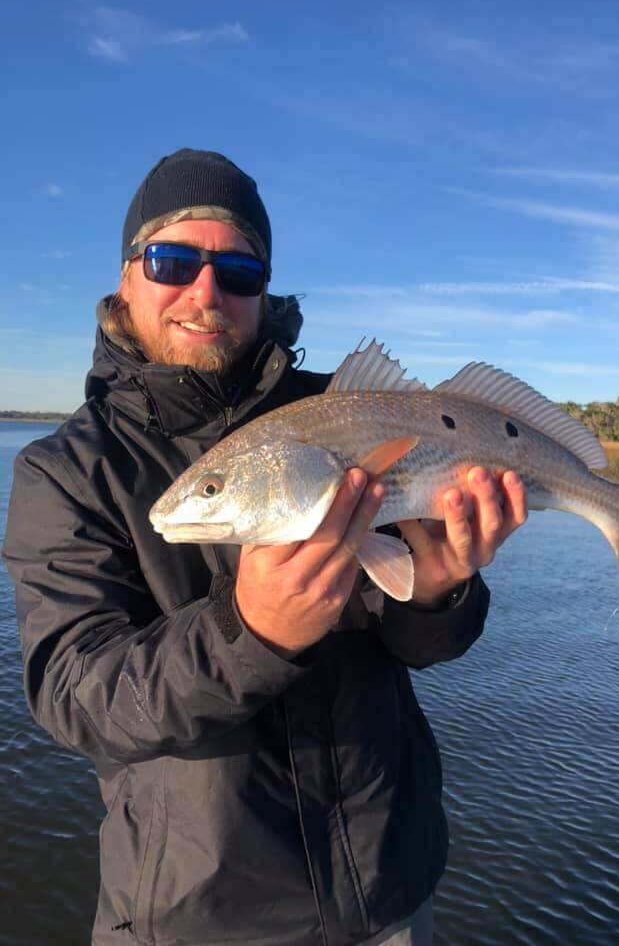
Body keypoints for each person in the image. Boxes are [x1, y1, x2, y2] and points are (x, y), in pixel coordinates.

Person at [3, 149, 527, 946]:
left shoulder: (342, 413)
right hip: (192, 919)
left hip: (390, 897)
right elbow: (76, 695)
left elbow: (420, 645)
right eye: (172, 259)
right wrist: (250, 632)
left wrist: (440, 592)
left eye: (238, 271)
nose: (205, 292)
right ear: (126, 276)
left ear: (263, 289)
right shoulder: (66, 470)